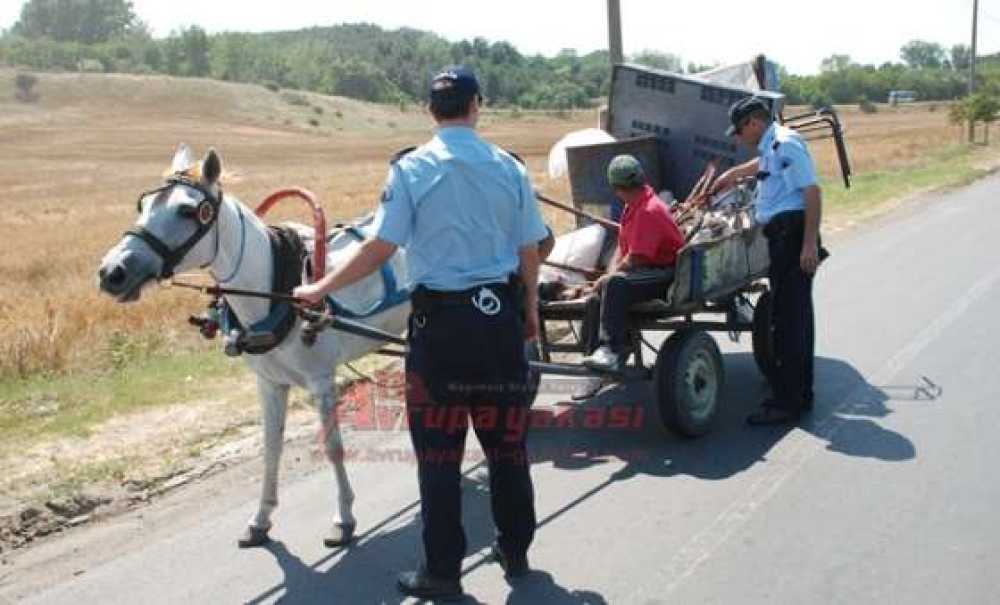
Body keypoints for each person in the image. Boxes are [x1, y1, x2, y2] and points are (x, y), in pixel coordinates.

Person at [294, 65, 547, 600]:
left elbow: (380, 248)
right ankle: (516, 550)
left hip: (441, 333)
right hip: (499, 320)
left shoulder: (411, 170)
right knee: (507, 445)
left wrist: (321, 288)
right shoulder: (509, 168)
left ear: (429, 111)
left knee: (439, 455)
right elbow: (529, 249)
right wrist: (529, 312)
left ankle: (442, 572)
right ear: (478, 104)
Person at [712, 95, 825, 426]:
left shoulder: (785, 144)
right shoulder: (772, 146)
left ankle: (787, 403)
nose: (738, 137)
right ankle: (799, 395)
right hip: (783, 236)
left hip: (793, 236)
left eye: (739, 130)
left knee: (789, 323)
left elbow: (812, 192)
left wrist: (808, 246)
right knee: (793, 318)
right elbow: (764, 167)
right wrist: (733, 174)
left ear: (754, 123)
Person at [579, 155, 685, 374]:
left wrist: (610, 277)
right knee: (595, 296)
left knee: (615, 284)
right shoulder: (633, 206)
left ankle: (612, 349)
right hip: (645, 269)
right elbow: (622, 248)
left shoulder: (648, 210)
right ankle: (593, 358)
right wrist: (606, 276)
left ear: (616, 188)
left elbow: (638, 257)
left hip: (664, 273)